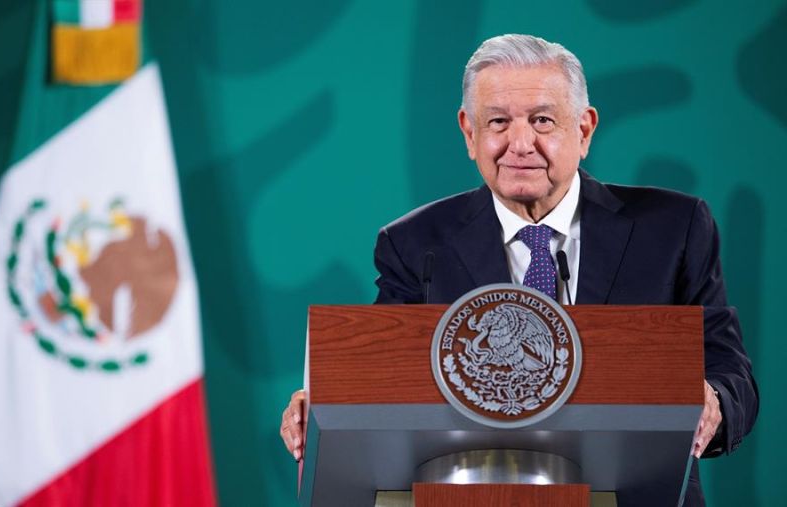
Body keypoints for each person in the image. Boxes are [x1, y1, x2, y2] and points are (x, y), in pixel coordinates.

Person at [279, 34, 758, 506]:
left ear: (585, 130)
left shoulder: (672, 228)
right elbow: (379, 382)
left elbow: (729, 371)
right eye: (499, 122)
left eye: (543, 120)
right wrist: (319, 408)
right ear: (469, 133)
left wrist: (711, 400)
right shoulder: (414, 244)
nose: (520, 143)